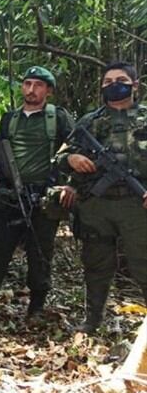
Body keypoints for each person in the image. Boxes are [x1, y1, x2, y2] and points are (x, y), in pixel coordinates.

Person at [0, 66, 75, 319]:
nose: (31, 90)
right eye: (27, 83)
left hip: (43, 198)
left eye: (38, 85)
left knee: (40, 252)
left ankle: (37, 307)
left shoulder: (58, 118)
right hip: (9, 197)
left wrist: (70, 184)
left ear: (48, 91)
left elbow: (76, 151)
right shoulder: (10, 119)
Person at [56, 61, 147, 334]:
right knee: (96, 264)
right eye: (107, 82)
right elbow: (60, 156)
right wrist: (72, 159)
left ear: (135, 85)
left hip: (137, 205)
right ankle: (92, 321)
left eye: (120, 81)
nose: (113, 85)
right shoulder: (89, 121)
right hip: (96, 205)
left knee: (143, 263)